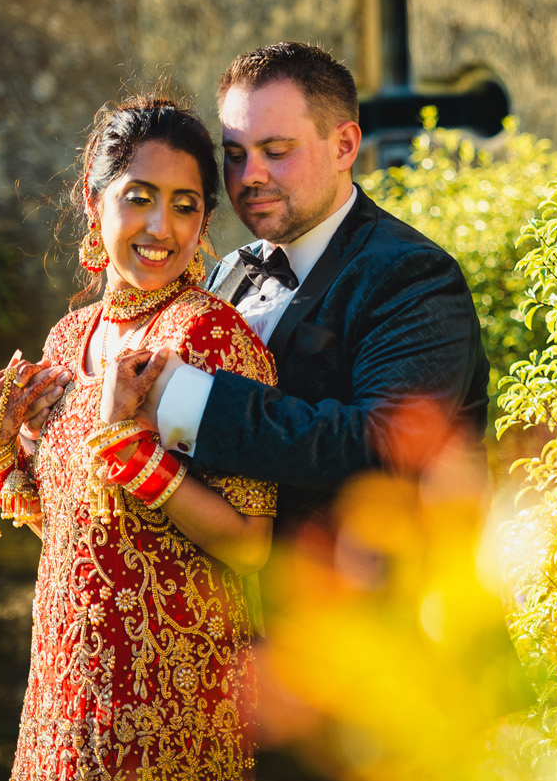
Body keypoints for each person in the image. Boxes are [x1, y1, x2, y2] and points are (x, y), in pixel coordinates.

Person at [0, 96, 276, 781]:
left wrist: (129, 453)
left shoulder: (209, 340)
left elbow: (251, 539)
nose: (163, 227)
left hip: (170, 709)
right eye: (141, 197)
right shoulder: (68, 344)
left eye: (186, 206)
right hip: (66, 693)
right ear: (94, 202)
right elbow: (75, 530)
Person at [105, 43, 491, 556]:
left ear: (344, 146)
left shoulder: (411, 275)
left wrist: (188, 403)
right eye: (236, 155)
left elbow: (386, 447)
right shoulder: (226, 272)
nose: (250, 176)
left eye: (276, 151)